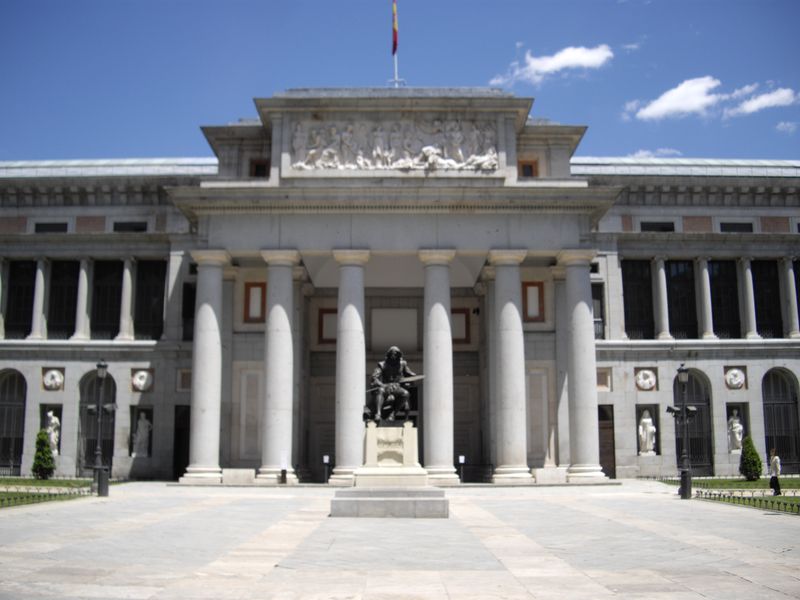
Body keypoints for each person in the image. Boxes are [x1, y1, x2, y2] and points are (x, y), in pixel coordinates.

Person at [366, 346, 416, 423]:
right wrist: (381, 384)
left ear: (399, 355)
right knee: (380, 390)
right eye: (392, 354)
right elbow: (374, 377)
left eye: (396, 354)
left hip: (397, 387)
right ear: (389, 355)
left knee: (405, 394)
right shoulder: (382, 364)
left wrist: (413, 376)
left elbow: (409, 374)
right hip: (385, 386)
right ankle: (378, 414)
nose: (394, 356)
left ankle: (393, 414)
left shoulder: (402, 364)